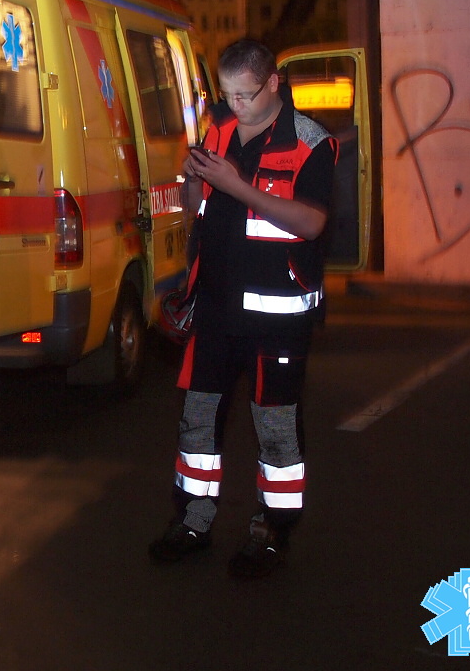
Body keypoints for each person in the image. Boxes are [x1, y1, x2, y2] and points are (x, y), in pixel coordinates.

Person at [148, 38, 337, 578]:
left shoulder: (311, 143)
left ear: (273, 83)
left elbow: (311, 223)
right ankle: (193, 522)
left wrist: (237, 184)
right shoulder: (220, 132)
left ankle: (271, 533)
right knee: (197, 425)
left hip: (278, 321)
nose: (235, 106)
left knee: (276, 431)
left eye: (245, 95)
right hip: (214, 312)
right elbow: (198, 209)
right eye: (227, 95)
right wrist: (193, 179)